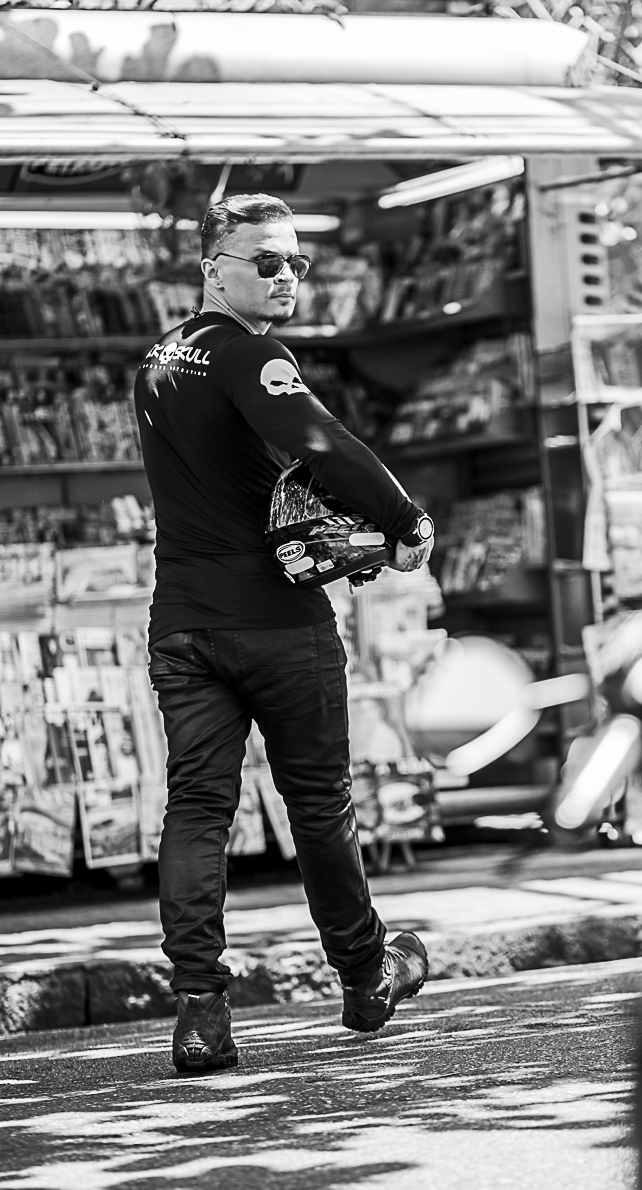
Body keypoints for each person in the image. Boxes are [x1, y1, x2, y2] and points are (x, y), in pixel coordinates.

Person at [134, 193, 433, 1073]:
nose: (285, 276)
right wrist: (404, 518)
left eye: (295, 261)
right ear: (212, 268)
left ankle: (200, 1013)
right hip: (274, 625)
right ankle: (365, 975)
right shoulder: (250, 356)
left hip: (183, 624)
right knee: (318, 803)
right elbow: (320, 439)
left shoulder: (156, 360)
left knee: (196, 807)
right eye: (264, 261)